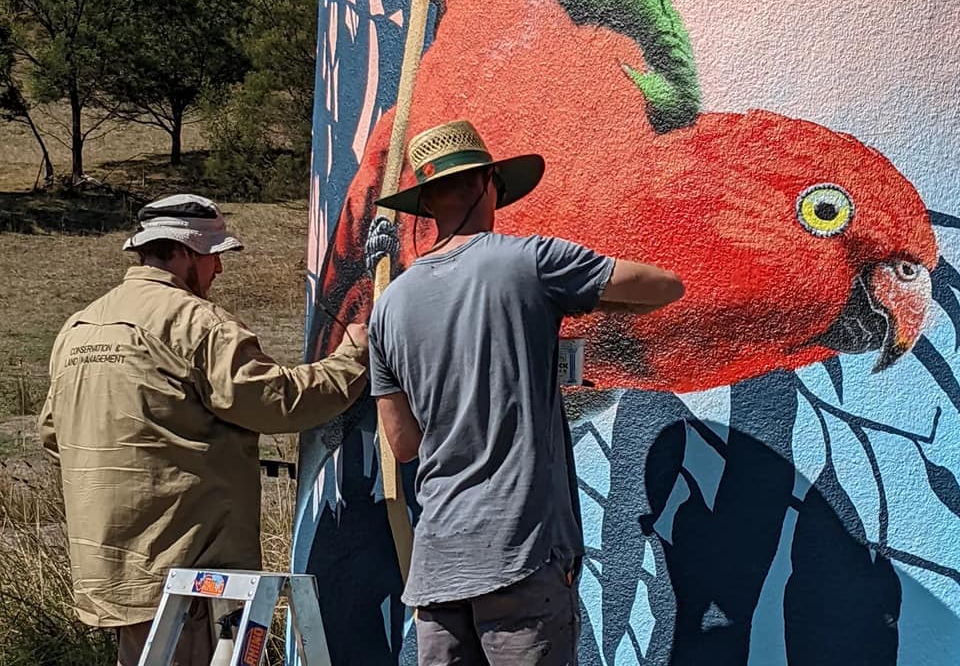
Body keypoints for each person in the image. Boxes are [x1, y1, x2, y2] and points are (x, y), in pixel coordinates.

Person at [369, 120, 684, 666]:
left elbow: (402, 444)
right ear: (489, 182)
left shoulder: (390, 307)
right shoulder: (529, 263)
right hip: (520, 549)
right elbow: (662, 287)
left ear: (426, 202)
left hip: (438, 562)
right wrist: (573, 300)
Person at [38, 193, 369, 666]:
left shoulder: (79, 328)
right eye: (214, 257)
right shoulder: (195, 322)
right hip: (186, 569)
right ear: (186, 253)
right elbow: (275, 402)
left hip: (112, 571)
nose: (219, 270)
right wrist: (350, 360)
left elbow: (54, 436)